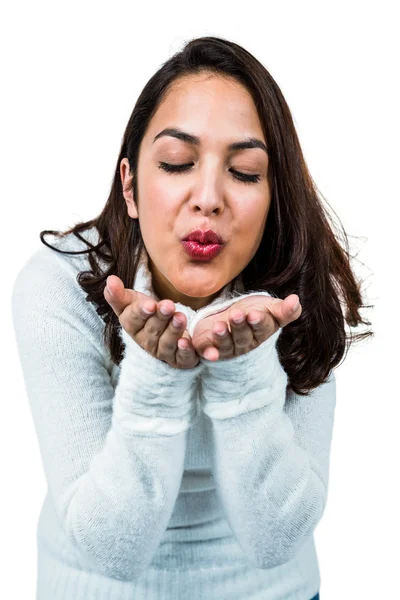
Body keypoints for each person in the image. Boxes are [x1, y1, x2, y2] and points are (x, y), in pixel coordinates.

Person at [11, 35, 372, 600]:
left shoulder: (297, 290)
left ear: (274, 196)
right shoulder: (58, 286)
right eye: (177, 164)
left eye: (246, 173)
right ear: (130, 186)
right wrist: (155, 379)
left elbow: (277, 539)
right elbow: (113, 549)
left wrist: (242, 371)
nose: (208, 197)